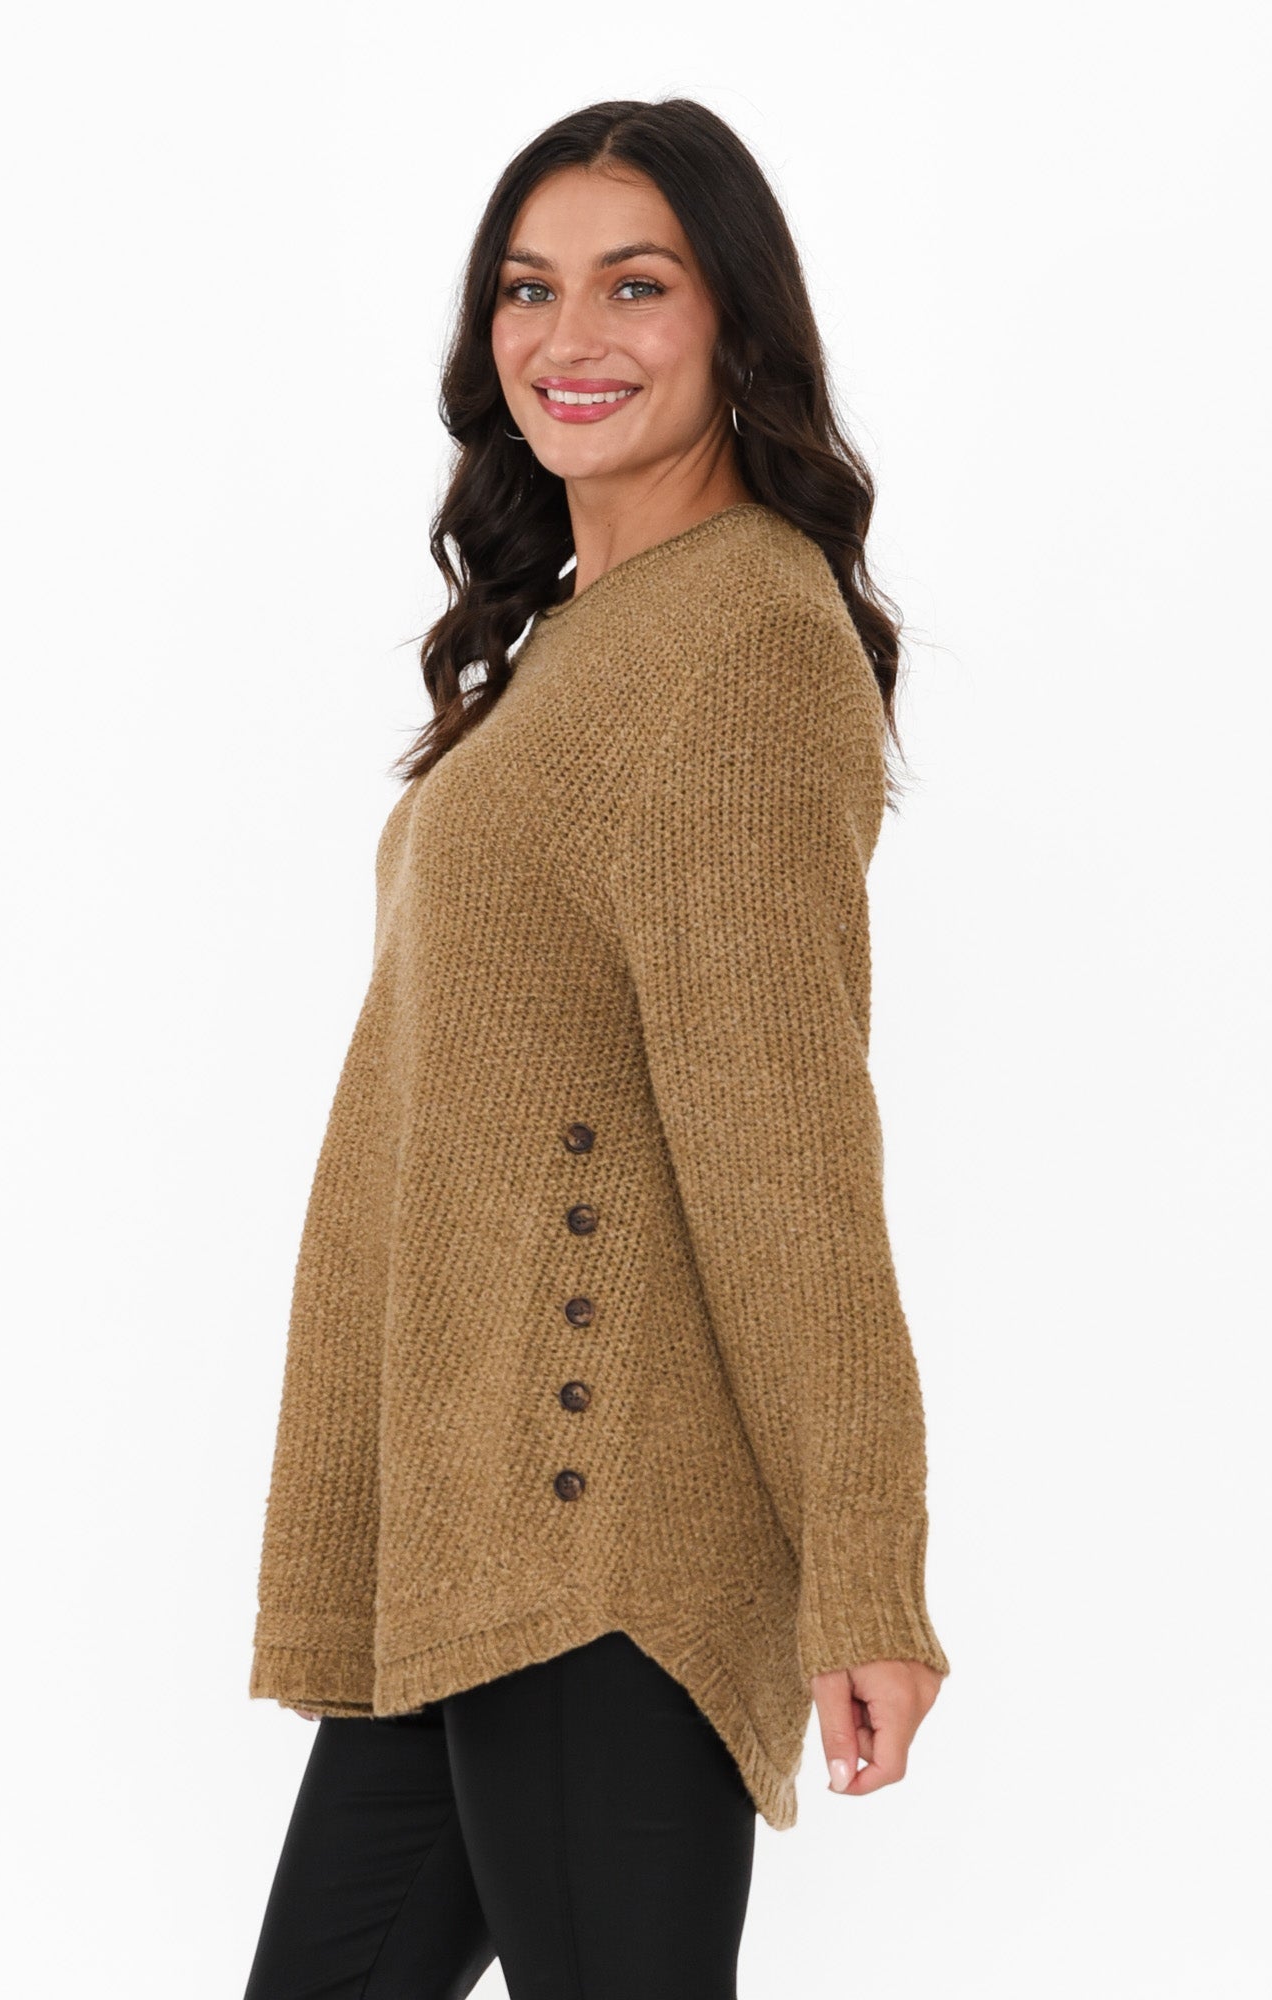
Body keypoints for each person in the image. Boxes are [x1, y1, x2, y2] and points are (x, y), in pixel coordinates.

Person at [242, 95, 951, 2000]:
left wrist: (865, 1565)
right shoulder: (584, 632)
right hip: (473, 1525)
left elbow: (787, 1141)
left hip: (594, 1525)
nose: (572, 336)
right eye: (527, 290)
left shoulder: (744, 642)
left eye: (637, 286)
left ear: (736, 322)